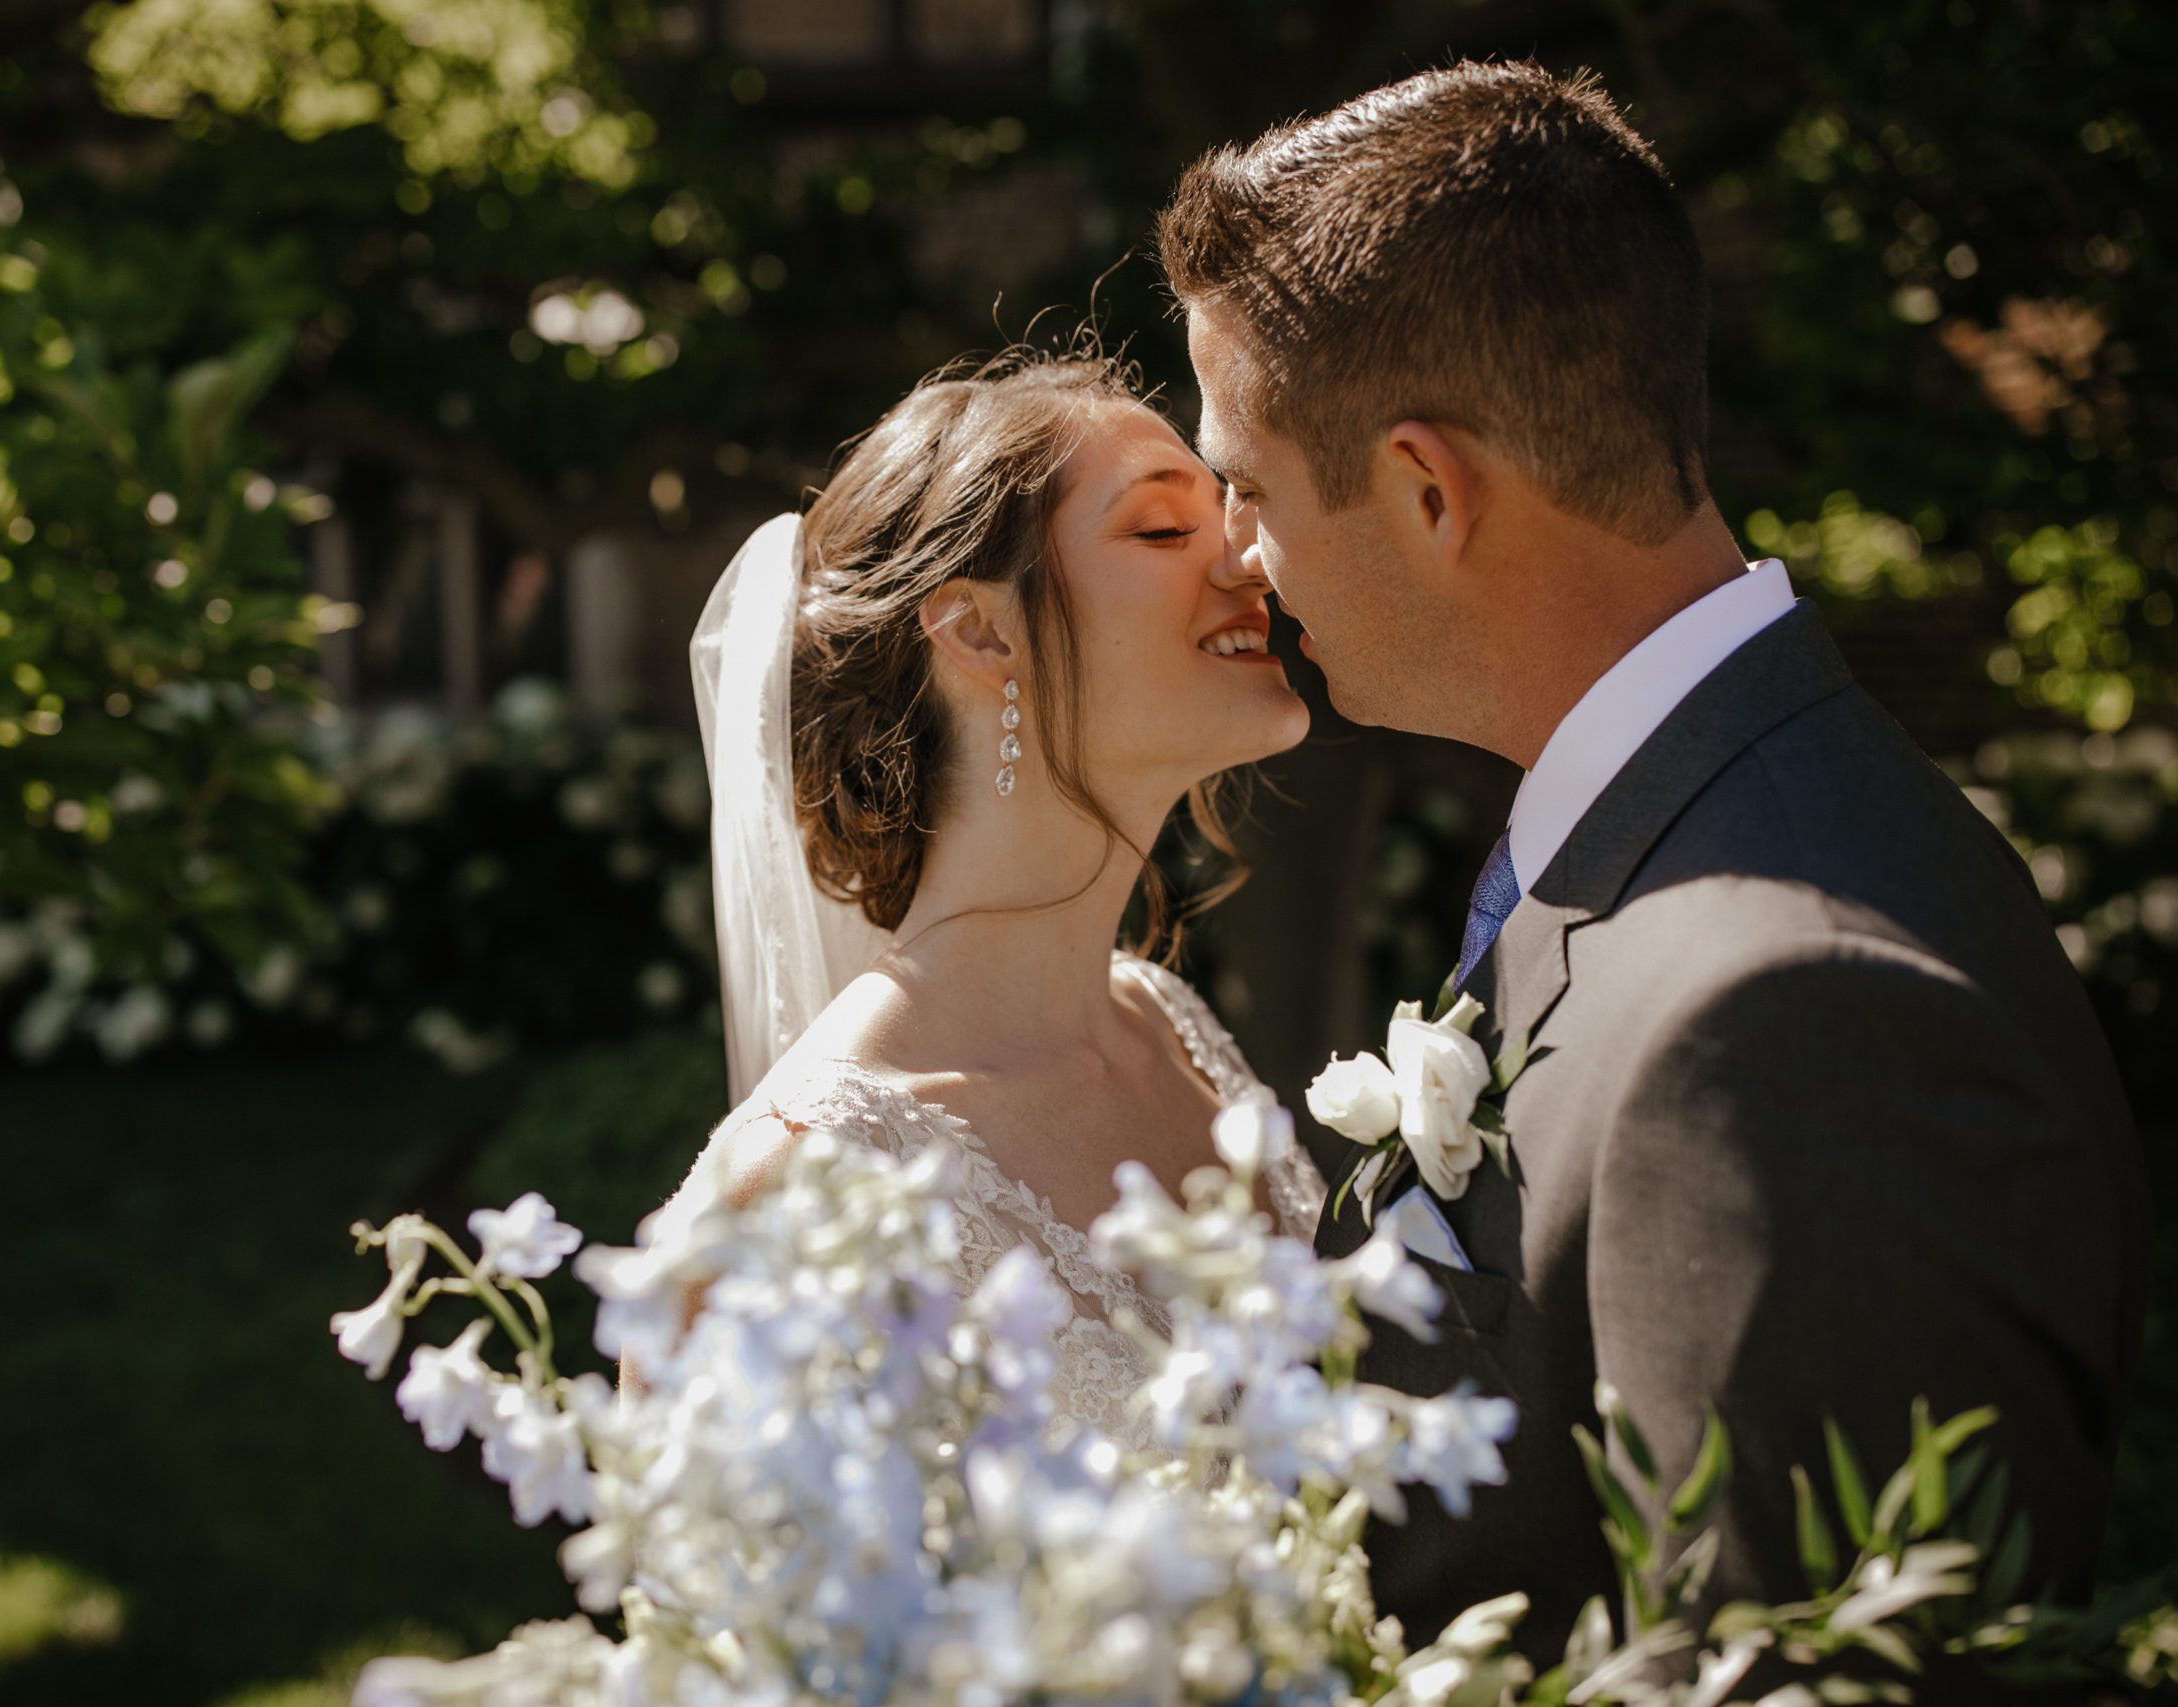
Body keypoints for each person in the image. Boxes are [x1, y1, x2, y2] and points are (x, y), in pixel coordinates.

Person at [1158, 58, 2150, 1670]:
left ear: (1428, 489)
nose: (1236, 547)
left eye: (1251, 485)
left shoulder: (1793, 1012)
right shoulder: (1696, 829)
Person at [628, 349, 1324, 1445]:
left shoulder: (1170, 1029)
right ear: (981, 632)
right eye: (1158, 529)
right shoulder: (801, 1190)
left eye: (1234, 512)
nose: (1251, 558)